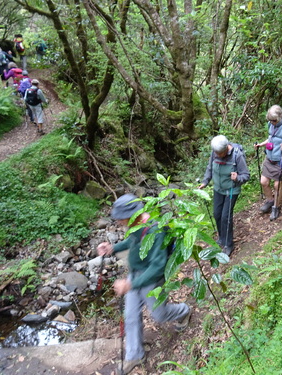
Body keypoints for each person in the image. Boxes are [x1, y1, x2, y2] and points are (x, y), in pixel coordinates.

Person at [96, 194, 191, 375]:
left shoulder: (155, 230)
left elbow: (158, 266)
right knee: (130, 316)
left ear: (133, 214)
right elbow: (131, 241)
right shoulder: (134, 225)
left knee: (160, 315)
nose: (118, 222)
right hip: (135, 276)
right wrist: (112, 248)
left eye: (120, 218)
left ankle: (184, 311)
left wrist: (131, 285)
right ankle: (135, 355)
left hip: (152, 279)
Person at [199, 135, 250, 255]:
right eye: (216, 152)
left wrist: (237, 178)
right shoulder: (215, 153)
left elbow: (246, 175)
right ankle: (222, 238)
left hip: (231, 190)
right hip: (218, 189)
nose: (217, 155)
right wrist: (205, 181)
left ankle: (228, 244)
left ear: (226, 149)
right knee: (217, 214)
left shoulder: (237, 155)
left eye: (219, 153)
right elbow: (210, 168)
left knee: (225, 217)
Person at [254, 105, 282, 221]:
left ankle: (276, 207)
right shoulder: (271, 124)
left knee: (277, 185)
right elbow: (270, 139)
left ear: (279, 117)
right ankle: (270, 201)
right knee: (263, 182)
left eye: (274, 120)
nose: (272, 122)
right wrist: (261, 144)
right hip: (270, 158)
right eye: (270, 120)